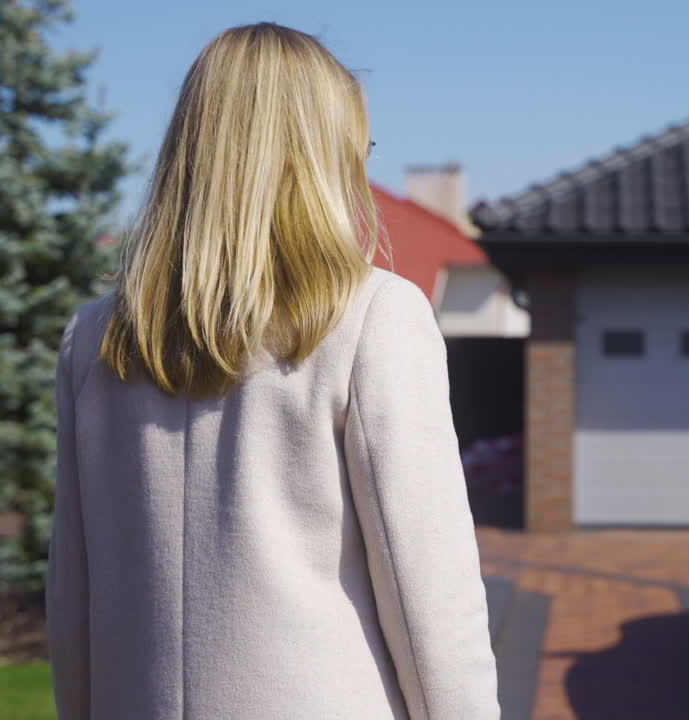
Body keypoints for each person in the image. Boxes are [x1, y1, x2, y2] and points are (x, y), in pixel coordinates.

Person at [45, 22, 500, 720]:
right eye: (360, 149)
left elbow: (72, 599)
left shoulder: (96, 338)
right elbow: (429, 595)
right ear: (320, 157)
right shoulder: (375, 319)